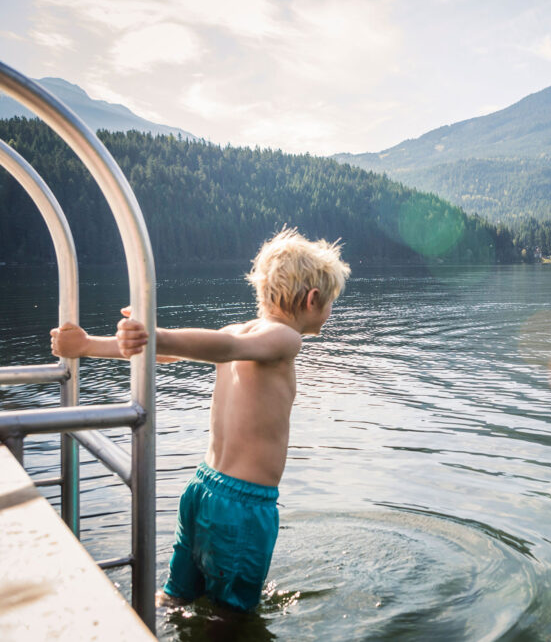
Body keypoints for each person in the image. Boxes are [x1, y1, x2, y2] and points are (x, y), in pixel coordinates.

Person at [50, 228, 351, 611]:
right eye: (330, 303)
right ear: (312, 299)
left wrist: (89, 344)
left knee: (176, 596)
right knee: (231, 616)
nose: (329, 312)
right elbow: (223, 350)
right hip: (243, 506)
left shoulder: (237, 329)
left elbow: (169, 355)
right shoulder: (285, 340)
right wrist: (158, 335)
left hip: (201, 488)